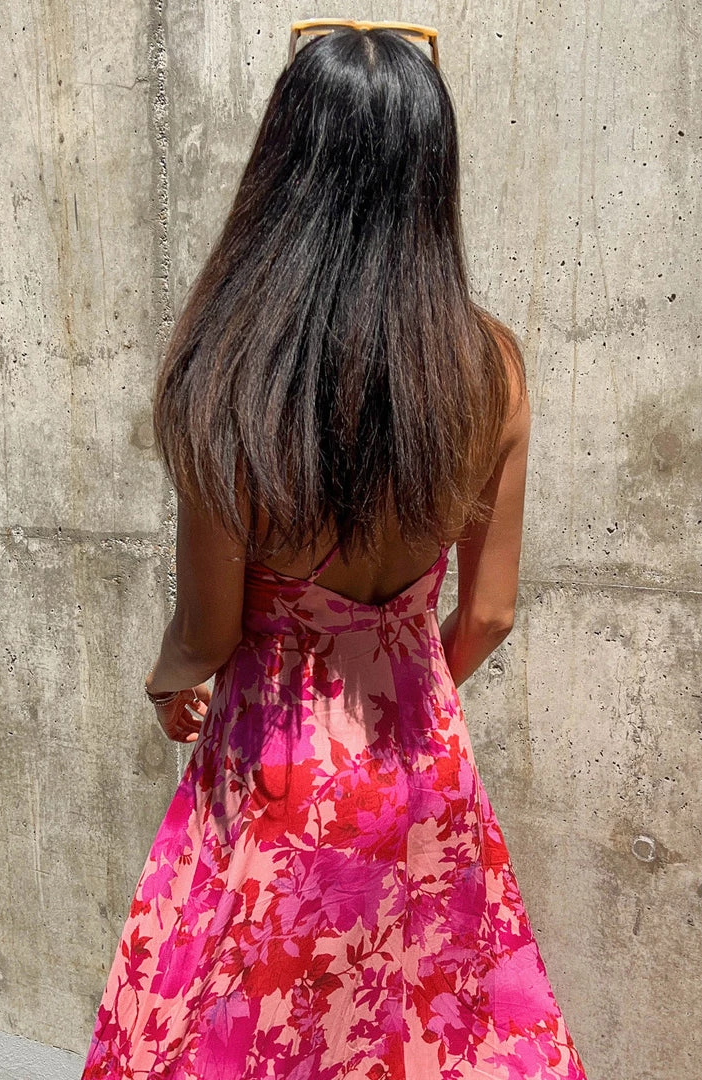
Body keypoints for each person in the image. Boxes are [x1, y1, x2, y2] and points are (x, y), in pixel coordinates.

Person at [81, 20, 588, 1080]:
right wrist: (402, 696)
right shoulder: (489, 364)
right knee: (419, 1030)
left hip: (274, 777)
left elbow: (207, 630)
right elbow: (489, 612)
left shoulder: (231, 367)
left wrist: (168, 680)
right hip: (419, 772)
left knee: (246, 1033)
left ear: (284, 167)